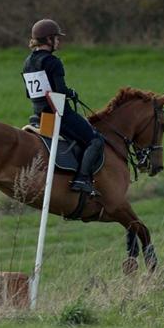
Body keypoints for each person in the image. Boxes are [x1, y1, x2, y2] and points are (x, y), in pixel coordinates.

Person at [22, 18, 104, 196]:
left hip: (39, 116)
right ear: (49, 39)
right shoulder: (53, 62)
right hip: (58, 114)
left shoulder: (28, 62)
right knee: (96, 140)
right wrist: (71, 93)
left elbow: (30, 93)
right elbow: (60, 91)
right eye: (57, 38)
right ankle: (82, 179)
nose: (59, 41)